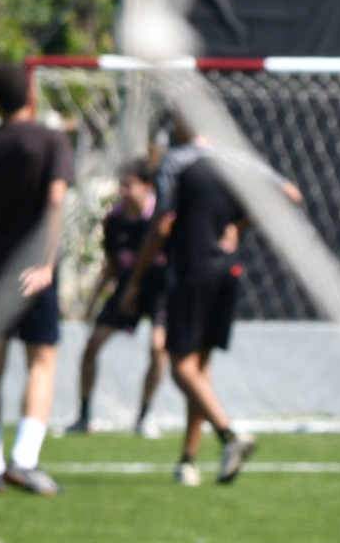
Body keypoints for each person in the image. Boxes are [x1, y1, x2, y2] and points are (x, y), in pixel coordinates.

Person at [122, 114, 298, 486]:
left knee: (180, 367)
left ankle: (229, 435)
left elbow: (164, 222)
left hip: (191, 272)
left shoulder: (176, 160)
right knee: (200, 371)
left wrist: (136, 278)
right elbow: (288, 193)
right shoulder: (237, 159)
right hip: (227, 274)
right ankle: (188, 460)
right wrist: (239, 226)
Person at [0, 61, 72, 494]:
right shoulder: (52, 140)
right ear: (31, 94)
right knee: (41, 362)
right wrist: (46, 263)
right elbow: (55, 205)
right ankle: (24, 461)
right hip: (35, 271)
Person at [68, 158, 170, 436]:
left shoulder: (160, 219)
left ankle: (144, 417)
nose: (123, 192)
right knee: (92, 345)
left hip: (158, 289)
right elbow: (111, 264)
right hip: (126, 289)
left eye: (129, 186)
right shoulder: (113, 219)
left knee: (158, 349)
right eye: (121, 186)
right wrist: (92, 301)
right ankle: (84, 416)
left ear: (147, 187)